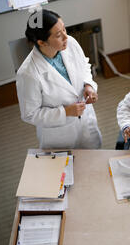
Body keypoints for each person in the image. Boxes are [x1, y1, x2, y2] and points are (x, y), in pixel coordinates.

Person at [16, 9, 102, 149]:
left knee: (93, 160)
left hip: (86, 122)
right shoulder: (27, 74)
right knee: (65, 168)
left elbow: (84, 64)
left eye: (64, 29)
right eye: (58, 35)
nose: (66, 37)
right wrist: (65, 112)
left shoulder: (70, 43)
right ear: (42, 42)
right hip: (59, 135)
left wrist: (88, 85)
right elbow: (30, 114)